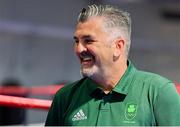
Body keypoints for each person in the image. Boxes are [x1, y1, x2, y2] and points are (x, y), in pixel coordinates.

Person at [45, 4, 180, 126]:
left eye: (88, 41)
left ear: (117, 46)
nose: (79, 49)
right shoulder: (64, 97)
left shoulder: (158, 92)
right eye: (76, 41)